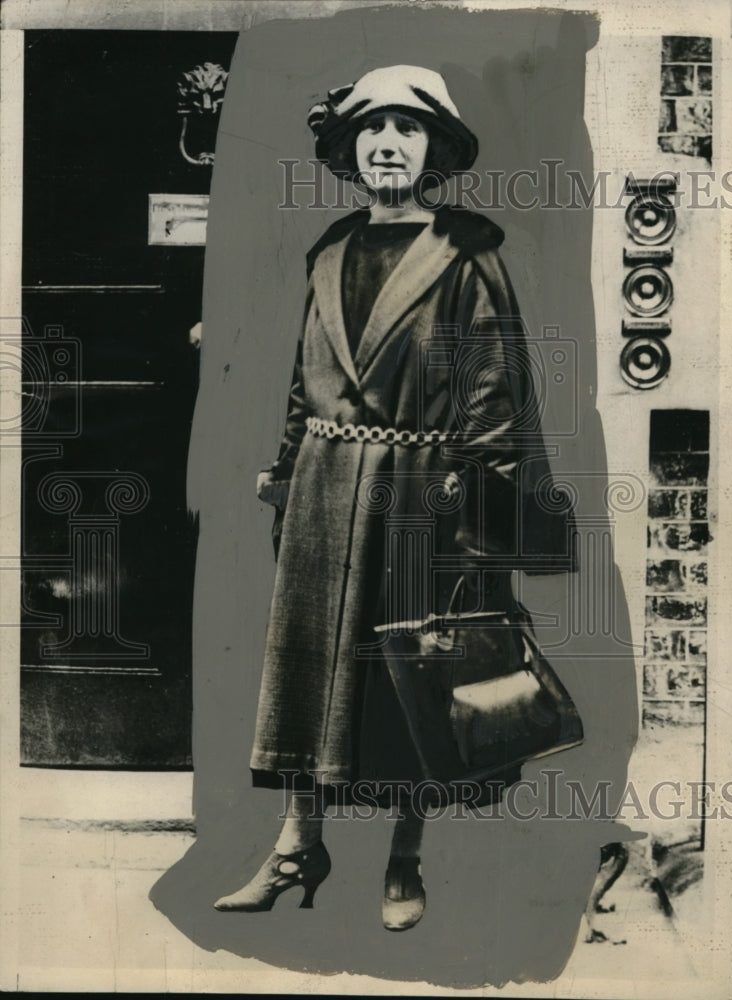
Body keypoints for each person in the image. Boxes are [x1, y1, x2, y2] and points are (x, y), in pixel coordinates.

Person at [213, 65, 567, 931]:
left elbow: (494, 385)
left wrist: (474, 503)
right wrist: (290, 470)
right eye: (371, 130)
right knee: (309, 671)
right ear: (347, 149)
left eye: (407, 130)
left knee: (411, 670)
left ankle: (404, 860)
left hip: (421, 495)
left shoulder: (466, 253)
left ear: (435, 149)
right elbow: (307, 385)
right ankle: (299, 845)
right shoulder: (329, 250)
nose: (387, 145)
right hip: (326, 491)